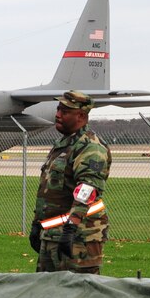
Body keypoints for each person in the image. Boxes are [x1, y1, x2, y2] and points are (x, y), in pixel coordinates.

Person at [30, 90, 112, 274]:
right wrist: (37, 224)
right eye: (58, 109)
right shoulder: (64, 145)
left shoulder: (90, 147)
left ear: (81, 116)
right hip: (53, 234)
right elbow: (51, 191)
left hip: (80, 237)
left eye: (65, 111)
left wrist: (71, 228)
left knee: (79, 296)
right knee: (47, 295)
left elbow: (87, 189)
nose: (58, 115)